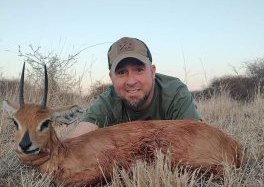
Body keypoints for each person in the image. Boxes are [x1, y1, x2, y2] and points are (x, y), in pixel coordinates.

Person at [18, 36, 201, 165]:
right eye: (121, 72)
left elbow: (198, 139)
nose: (131, 81)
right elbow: (74, 141)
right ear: (111, 77)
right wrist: (40, 150)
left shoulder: (175, 92)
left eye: (138, 70)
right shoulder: (107, 101)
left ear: (152, 72)